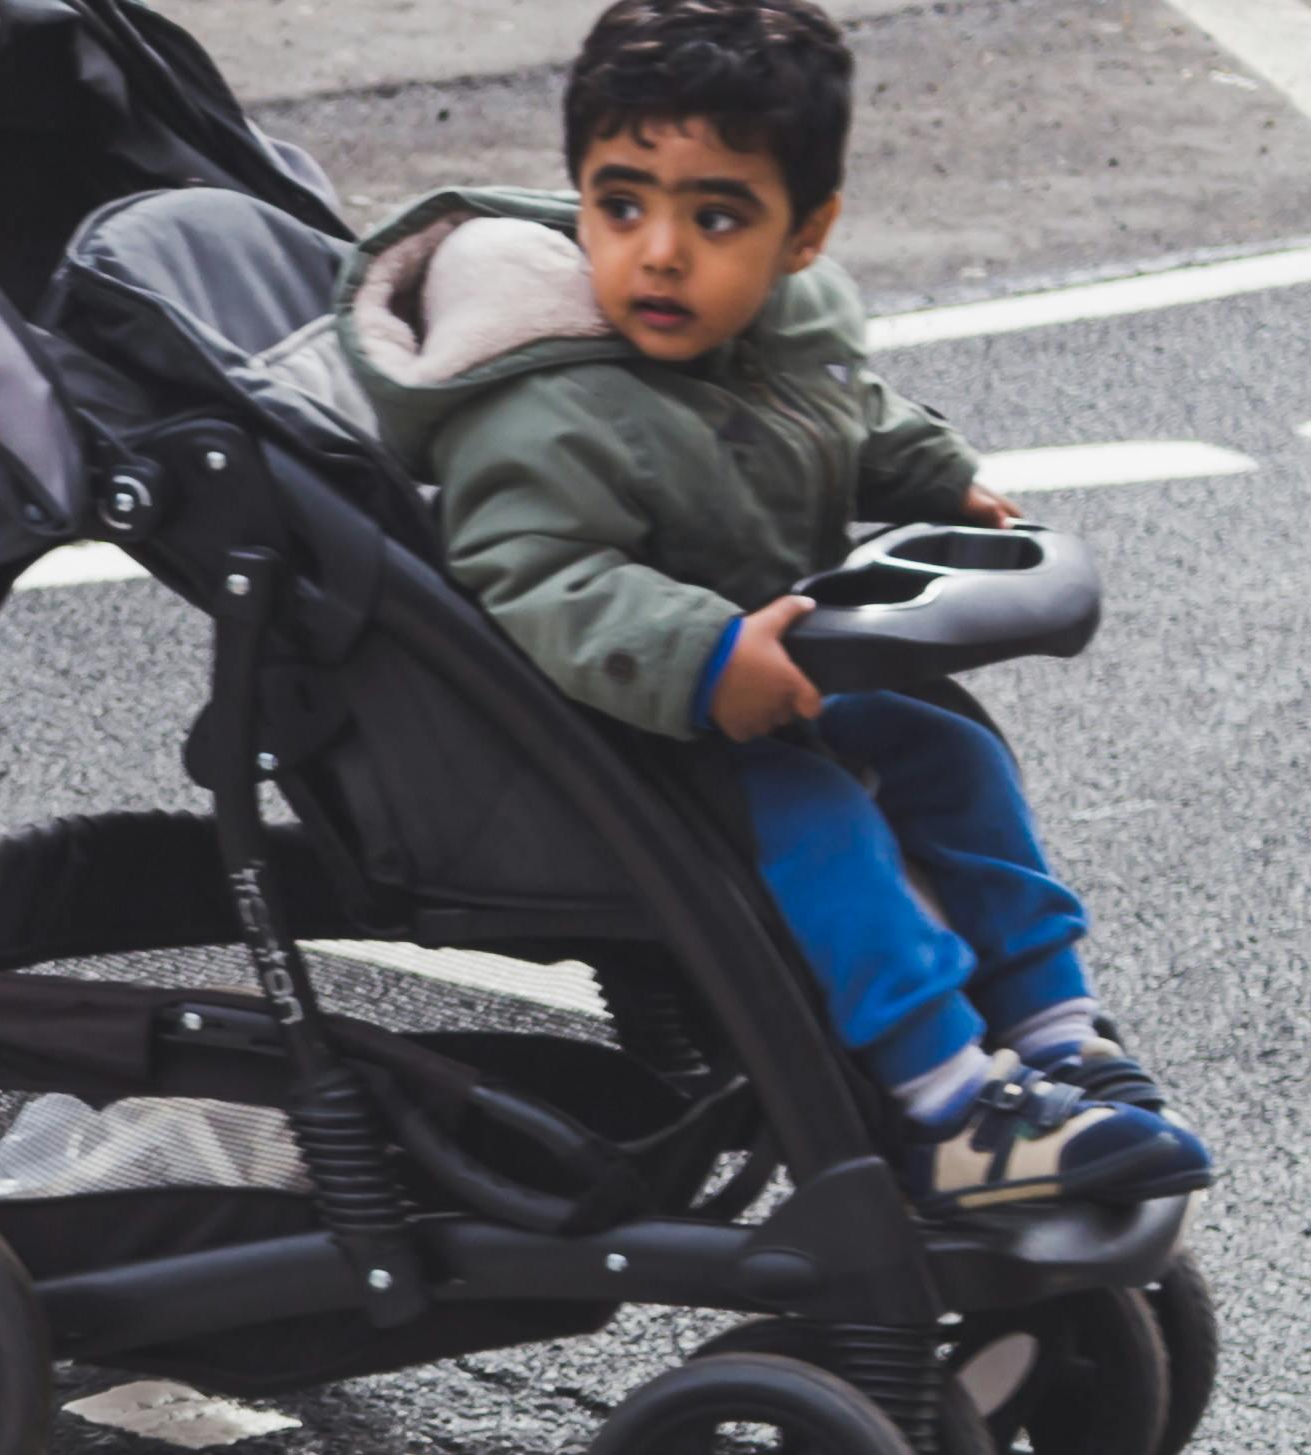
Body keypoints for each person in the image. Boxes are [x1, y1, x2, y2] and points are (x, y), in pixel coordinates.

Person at [333, 0, 1211, 1217]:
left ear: (806, 237)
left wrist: (929, 472)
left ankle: (1058, 1030)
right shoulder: (540, 409)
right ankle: (950, 1106)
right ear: (577, 192)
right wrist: (697, 653)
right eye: (620, 203)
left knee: (943, 747)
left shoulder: (784, 329)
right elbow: (540, 577)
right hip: (615, 741)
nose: (659, 253)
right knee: (820, 819)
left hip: (762, 693)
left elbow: (836, 413)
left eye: (717, 216)